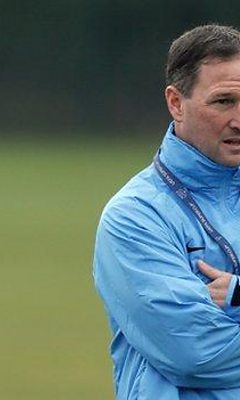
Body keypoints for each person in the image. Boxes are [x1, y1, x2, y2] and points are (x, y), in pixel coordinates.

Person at [93, 24, 240, 399]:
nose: (239, 120)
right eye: (224, 102)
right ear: (176, 103)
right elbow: (198, 354)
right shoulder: (136, 216)